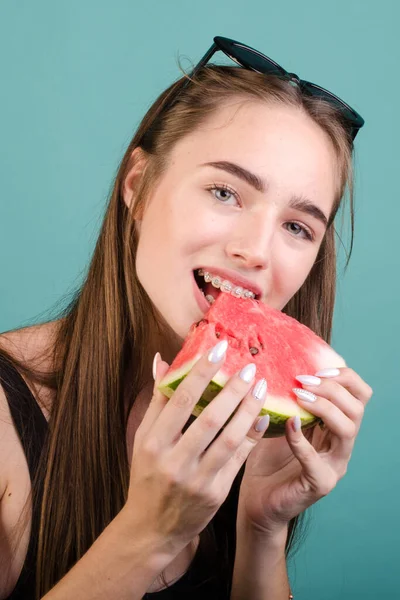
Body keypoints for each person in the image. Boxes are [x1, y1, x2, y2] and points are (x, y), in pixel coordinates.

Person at [0, 36, 373, 600]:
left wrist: (262, 530)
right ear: (138, 188)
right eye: (225, 192)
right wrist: (149, 531)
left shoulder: (254, 435)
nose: (257, 251)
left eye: (298, 227)